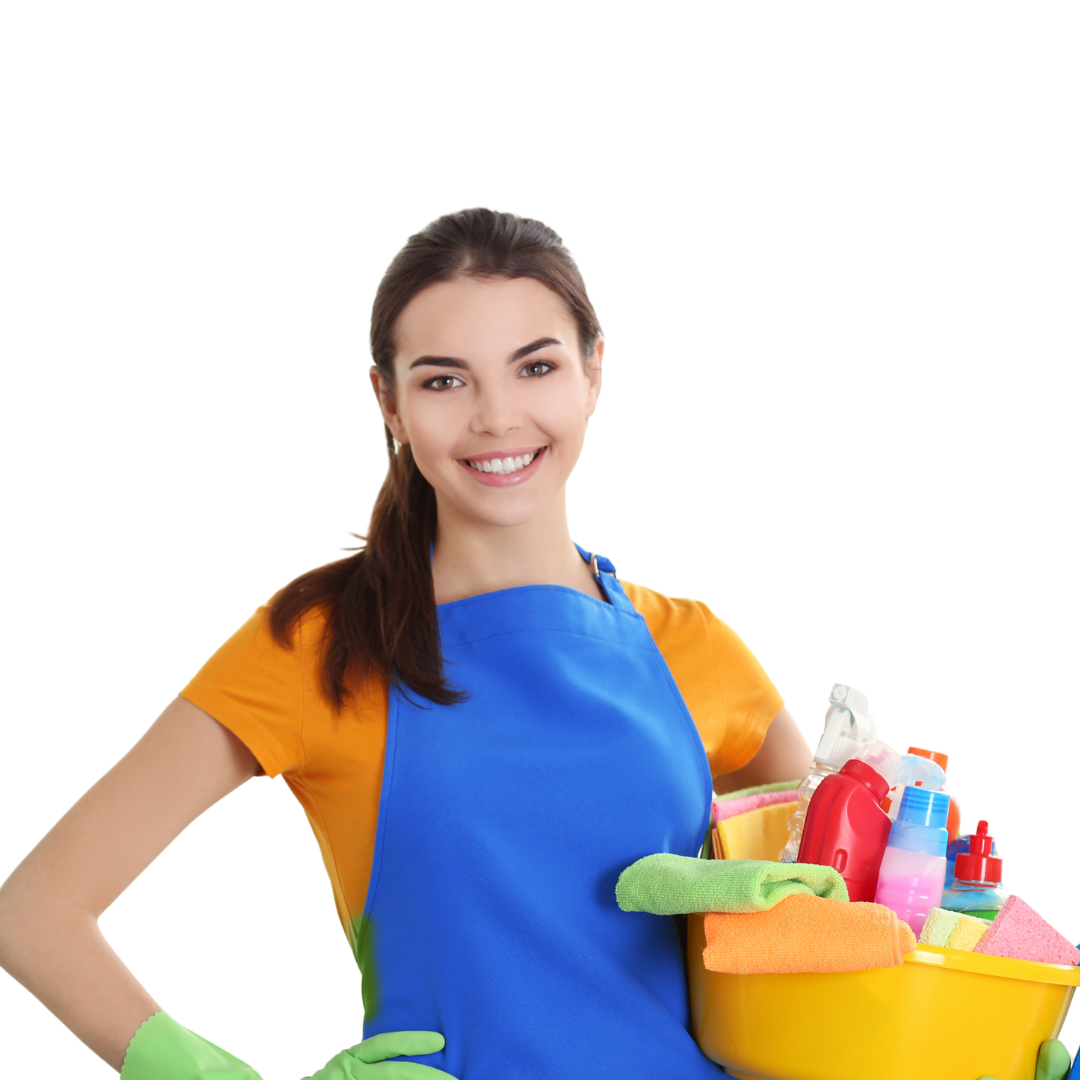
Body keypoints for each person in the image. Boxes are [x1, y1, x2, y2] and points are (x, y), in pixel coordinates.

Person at [0, 208, 815, 1078]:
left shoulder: (696, 649)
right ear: (388, 401)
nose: (498, 418)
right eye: (444, 381)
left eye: (534, 367)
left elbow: (827, 936)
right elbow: (36, 913)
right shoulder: (321, 646)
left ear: (593, 373)